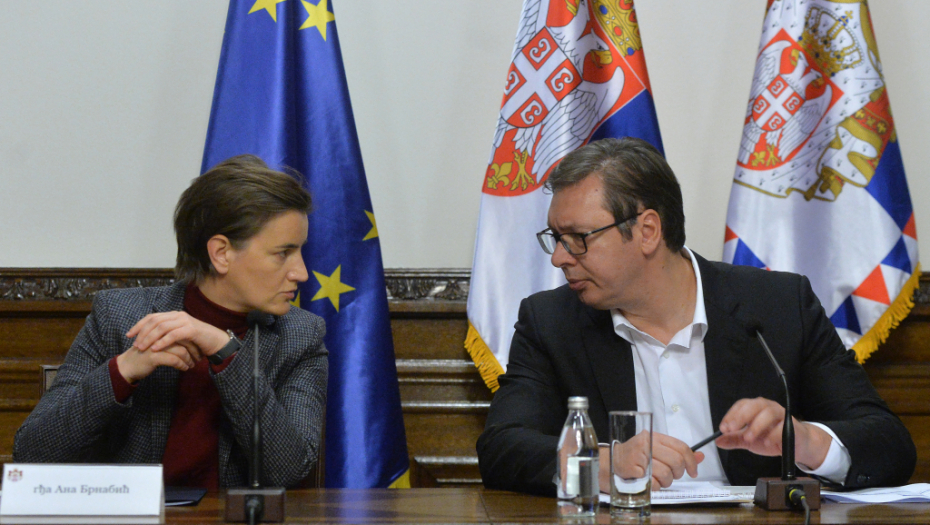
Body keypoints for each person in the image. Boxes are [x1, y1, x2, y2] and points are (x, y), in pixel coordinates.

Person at [476, 137, 915, 496]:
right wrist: (598, 462)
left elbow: (889, 443)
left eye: (577, 238)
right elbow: (501, 448)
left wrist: (805, 440)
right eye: (555, 237)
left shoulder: (779, 306)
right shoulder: (551, 321)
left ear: (648, 231)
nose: (558, 258)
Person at [13, 155, 327, 489]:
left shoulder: (300, 336)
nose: (301, 273)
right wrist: (123, 371)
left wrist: (226, 352)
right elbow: (32, 454)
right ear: (221, 253)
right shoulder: (119, 316)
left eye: (300, 252)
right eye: (283, 253)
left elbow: (289, 470)